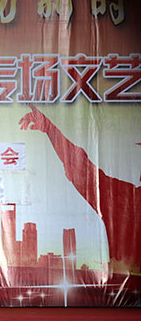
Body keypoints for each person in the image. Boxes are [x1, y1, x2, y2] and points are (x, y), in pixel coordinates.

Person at [19, 105, 140, 274]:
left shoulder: (127, 200)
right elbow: (84, 171)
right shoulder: (128, 200)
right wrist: (50, 130)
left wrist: (50, 129)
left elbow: (84, 172)